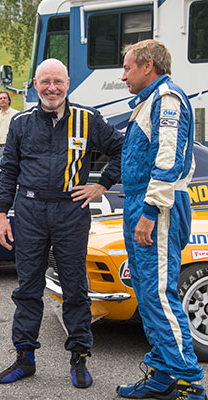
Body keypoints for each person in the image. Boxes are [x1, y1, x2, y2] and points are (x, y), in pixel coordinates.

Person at [0, 58, 123, 388]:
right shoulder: (21, 123)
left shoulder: (88, 118)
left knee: (75, 288)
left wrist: (102, 184)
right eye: (45, 81)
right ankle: (25, 357)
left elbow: (123, 149)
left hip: (71, 212)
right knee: (28, 288)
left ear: (68, 83)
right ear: (35, 85)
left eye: (58, 81)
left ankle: (79, 358)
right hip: (30, 211)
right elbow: (8, 171)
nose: (52, 87)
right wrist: (1, 215)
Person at [116, 40, 206, 400]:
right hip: (143, 201)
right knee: (147, 294)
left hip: (159, 206)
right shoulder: (150, 100)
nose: (123, 76)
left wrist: (150, 213)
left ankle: (188, 381)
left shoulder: (167, 99)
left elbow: (167, 162)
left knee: (160, 295)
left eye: (127, 68)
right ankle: (163, 373)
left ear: (148, 66)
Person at [0, 91, 19, 162]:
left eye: (4, 98)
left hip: (11, 147)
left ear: (9, 100)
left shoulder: (16, 114)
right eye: (0, 98)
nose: (2, 100)